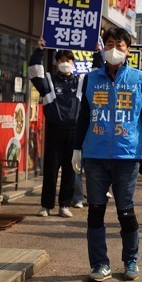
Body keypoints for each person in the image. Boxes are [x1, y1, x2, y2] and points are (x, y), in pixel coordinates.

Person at [72, 27, 142, 282]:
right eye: (110, 43)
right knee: (95, 211)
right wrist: (77, 148)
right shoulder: (90, 79)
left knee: (126, 212)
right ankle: (100, 264)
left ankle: (131, 260)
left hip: (127, 156)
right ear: (103, 46)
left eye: (120, 45)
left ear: (128, 50)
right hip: (95, 155)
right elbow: (84, 116)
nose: (114, 49)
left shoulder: (139, 79)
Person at [28, 37, 98, 217]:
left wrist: (98, 53)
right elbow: (34, 72)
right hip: (54, 131)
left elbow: (98, 75)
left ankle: (64, 205)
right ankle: (46, 206)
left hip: (75, 132)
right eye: (62, 61)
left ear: (73, 63)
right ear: (56, 62)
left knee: (70, 170)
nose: (65, 64)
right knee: (50, 170)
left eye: (68, 61)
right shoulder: (49, 80)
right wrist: (40, 50)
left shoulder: (81, 82)